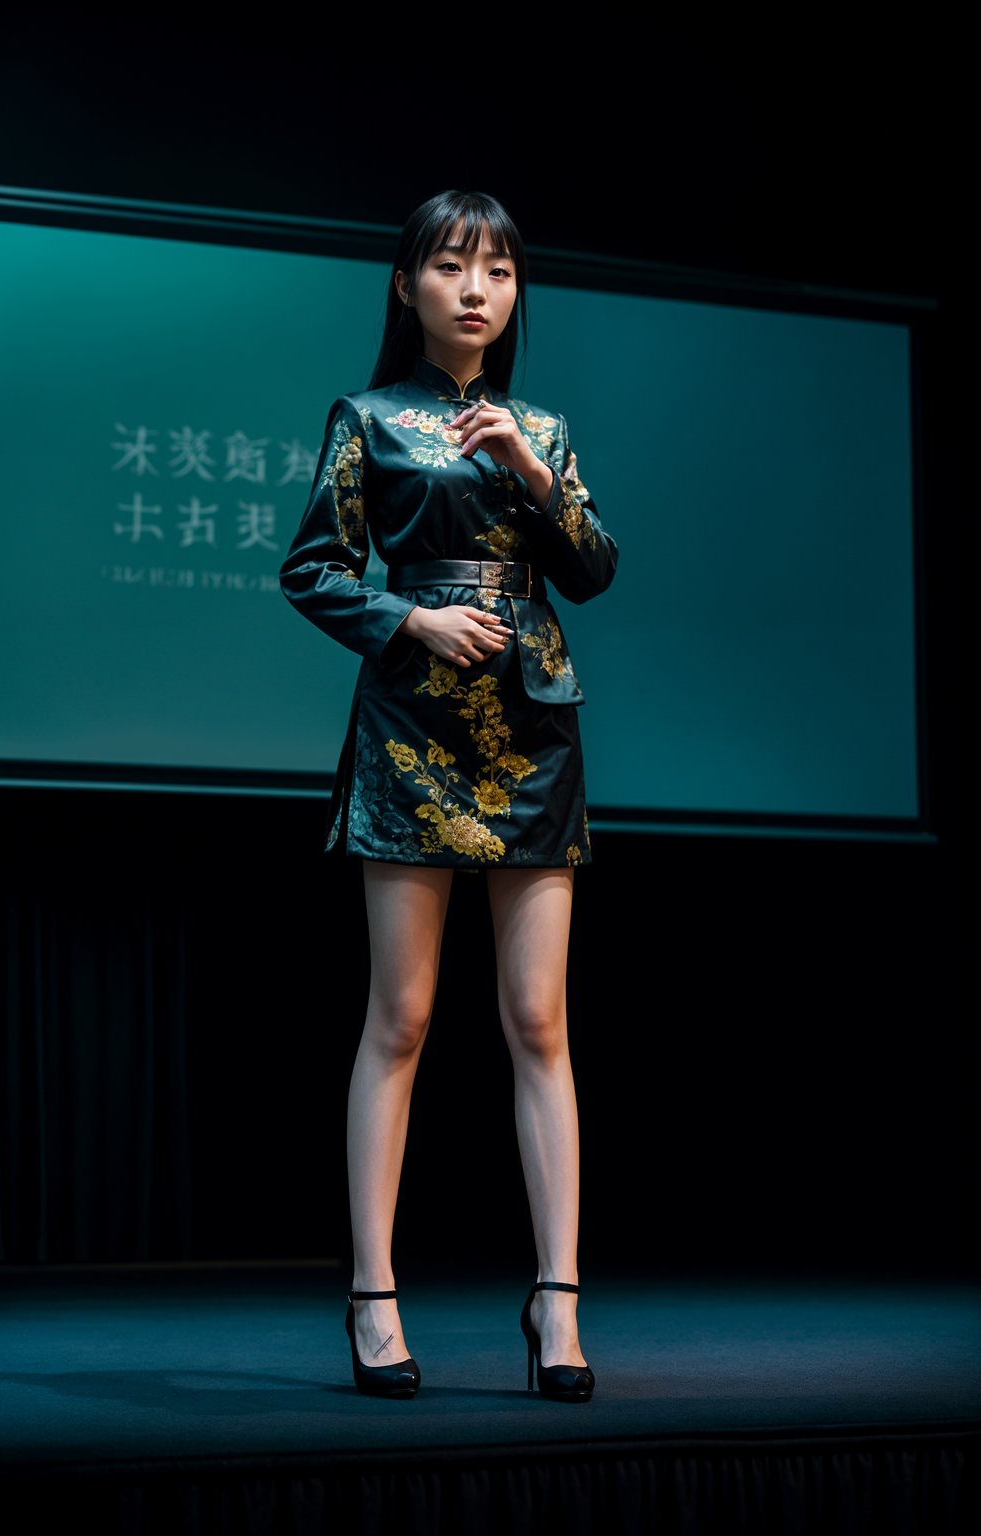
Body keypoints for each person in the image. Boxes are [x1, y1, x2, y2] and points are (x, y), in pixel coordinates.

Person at [279, 190, 618, 1402]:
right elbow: (310, 569)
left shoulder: (545, 429)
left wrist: (533, 470)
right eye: (451, 266)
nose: (476, 289)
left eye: (498, 271)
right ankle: (373, 1297)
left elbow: (592, 568)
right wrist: (408, 615)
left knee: (540, 1022)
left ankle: (557, 1298)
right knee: (403, 1018)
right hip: (414, 725)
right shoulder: (365, 417)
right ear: (408, 285)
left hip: (531, 729)